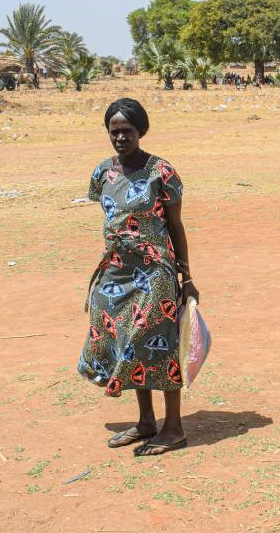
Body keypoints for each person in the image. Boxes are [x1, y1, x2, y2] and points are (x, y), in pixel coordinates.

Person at [79, 98, 201, 456]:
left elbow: (176, 226)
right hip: (115, 272)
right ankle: (146, 420)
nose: (120, 137)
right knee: (126, 344)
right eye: (113, 131)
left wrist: (187, 277)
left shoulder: (161, 172)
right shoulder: (103, 172)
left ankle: (174, 427)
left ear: (141, 131)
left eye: (126, 131)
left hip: (154, 272)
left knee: (155, 345)